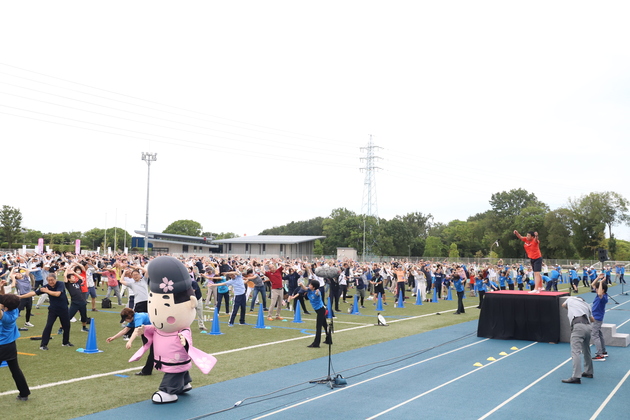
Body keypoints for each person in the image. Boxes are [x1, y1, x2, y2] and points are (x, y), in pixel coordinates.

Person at [0, 291, 31, 401]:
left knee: (15, 369)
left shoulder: (6, 317)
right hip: (10, 345)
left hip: (2, 346)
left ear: (5, 306)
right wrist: (2, 287)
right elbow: (5, 299)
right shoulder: (15, 310)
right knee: (15, 370)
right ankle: (24, 393)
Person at [107, 307, 154, 376]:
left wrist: (130, 341)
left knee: (153, 352)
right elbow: (125, 330)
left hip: (156, 331)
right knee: (151, 349)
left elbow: (136, 331)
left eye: (125, 319)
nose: (125, 321)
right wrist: (113, 338)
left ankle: (147, 371)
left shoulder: (138, 317)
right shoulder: (133, 320)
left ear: (129, 317)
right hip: (148, 332)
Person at [561, 295, 594, 384]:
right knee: (586, 350)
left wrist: (572, 309)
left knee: (575, 351)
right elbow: (592, 319)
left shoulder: (571, 299)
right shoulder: (587, 305)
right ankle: (588, 372)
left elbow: (563, 305)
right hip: (588, 326)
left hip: (578, 325)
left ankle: (576, 376)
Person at [289, 279, 327, 348]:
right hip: (318, 310)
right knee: (325, 325)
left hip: (321, 310)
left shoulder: (317, 292)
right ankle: (328, 339)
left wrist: (317, 293)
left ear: (314, 287)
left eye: (310, 284)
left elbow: (318, 294)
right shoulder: (309, 289)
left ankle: (316, 343)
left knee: (318, 327)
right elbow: (304, 288)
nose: (309, 285)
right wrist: (301, 284)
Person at [591, 275, 609, 362]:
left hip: (597, 318)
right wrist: (598, 278)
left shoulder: (603, 297)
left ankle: (599, 354)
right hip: (597, 317)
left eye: (598, 288)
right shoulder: (600, 295)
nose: (596, 289)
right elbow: (592, 284)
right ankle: (603, 351)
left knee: (595, 335)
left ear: (603, 290)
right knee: (599, 334)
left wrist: (601, 282)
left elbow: (599, 293)